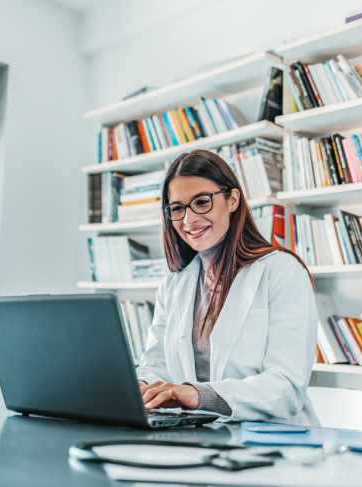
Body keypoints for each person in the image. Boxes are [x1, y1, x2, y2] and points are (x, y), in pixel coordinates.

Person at [137, 149, 320, 425]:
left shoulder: (281, 271)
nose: (188, 220)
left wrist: (196, 395)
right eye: (177, 209)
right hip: (197, 436)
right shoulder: (173, 285)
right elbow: (155, 366)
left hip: (271, 444)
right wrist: (139, 387)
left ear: (232, 199)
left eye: (201, 202)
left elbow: (285, 388)